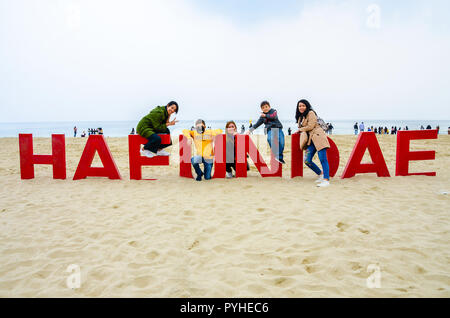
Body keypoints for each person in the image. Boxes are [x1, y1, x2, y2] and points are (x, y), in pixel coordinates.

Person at [295, 99, 331, 187]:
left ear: (307, 106)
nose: (301, 107)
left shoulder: (311, 113)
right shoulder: (300, 117)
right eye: (300, 106)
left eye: (303, 105)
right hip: (310, 140)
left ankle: (326, 180)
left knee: (323, 159)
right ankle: (321, 174)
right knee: (307, 160)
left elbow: (311, 126)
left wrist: (300, 129)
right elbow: (303, 127)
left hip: (318, 136)